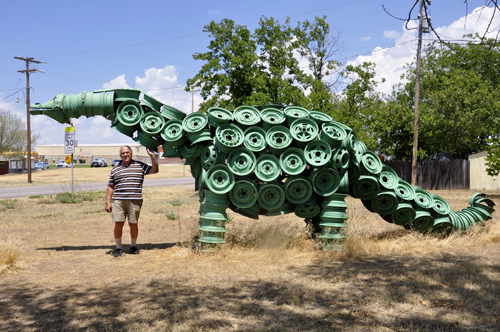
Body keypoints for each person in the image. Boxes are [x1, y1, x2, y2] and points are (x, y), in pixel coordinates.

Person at [105, 145, 159, 257]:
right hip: (119, 200)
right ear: (120, 155)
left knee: (133, 224)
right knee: (118, 223)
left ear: (131, 153)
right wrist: (108, 202)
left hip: (135, 200)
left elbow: (154, 170)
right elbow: (111, 185)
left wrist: (153, 157)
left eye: (127, 152)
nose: (125, 155)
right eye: (123, 153)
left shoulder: (140, 165)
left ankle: (133, 246)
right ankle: (118, 248)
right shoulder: (115, 168)